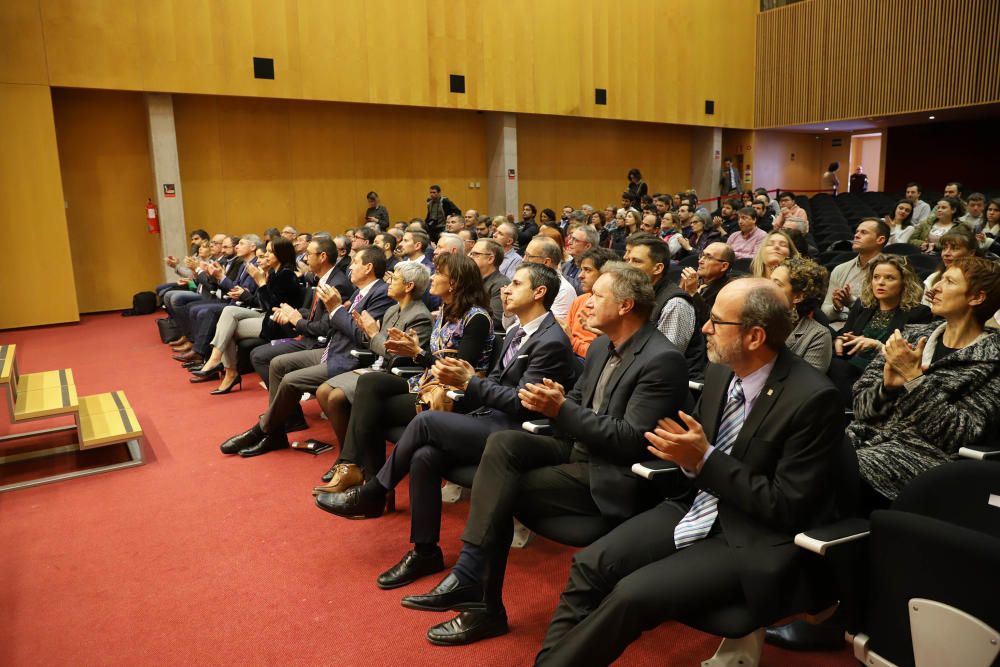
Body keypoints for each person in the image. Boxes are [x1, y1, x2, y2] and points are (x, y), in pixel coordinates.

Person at [535, 278, 844, 666]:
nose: (704, 329)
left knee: (631, 595)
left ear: (754, 337)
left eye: (716, 321)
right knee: (589, 566)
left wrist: (705, 459)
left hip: (749, 534)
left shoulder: (812, 398)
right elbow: (690, 453)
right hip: (694, 505)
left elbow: (788, 506)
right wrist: (687, 456)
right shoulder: (720, 372)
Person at [401, 262, 691, 646]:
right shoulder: (604, 344)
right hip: (576, 449)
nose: (585, 304)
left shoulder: (662, 359)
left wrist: (561, 410)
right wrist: (555, 404)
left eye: (597, 297)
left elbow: (629, 441)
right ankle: (472, 578)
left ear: (625, 306)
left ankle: (482, 603)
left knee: (499, 491)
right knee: (503, 443)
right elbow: (574, 400)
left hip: (613, 473)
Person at [316, 264, 579, 590]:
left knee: (425, 421)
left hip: (517, 432)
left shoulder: (550, 340)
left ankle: (373, 491)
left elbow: (525, 404)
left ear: (539, 293)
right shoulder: (518, 331)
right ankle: (425, 550)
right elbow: (497, 381)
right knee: (425, 455)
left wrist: (469, 384)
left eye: (516, 283)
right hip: (488, 415)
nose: (505, 289)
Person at [316, 253, 495, 488]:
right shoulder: (446, 310)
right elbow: (432, 360)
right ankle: (353, 467)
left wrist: (416, 352)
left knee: (371, 409)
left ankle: (367, 479)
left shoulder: (477, 318)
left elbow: (457, 371)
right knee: (370, 384)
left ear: (454, 283)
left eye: (439, 273)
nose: (433, 276)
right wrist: (412, 350)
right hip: (428, 382)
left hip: (454, 395)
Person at [849, 257, 1000, 511]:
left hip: (921, 461)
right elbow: (861, 408)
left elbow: (958, 435)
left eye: (949, 281)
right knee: (799, 453)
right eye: (939, 279)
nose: (935, 287)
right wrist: (886, 388)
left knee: (826, 472)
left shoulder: (992, 361)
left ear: (976, 298)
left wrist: (913, 379)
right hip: (864, 440)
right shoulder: (912, 336)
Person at [296, 261, 434, 458]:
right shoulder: (393, 310)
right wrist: (370, 334)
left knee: (335, 398)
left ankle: (352, 457)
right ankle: (349, 453)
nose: (389, 283)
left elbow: (397, 355)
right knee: (323, 391)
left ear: (408, 286)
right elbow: (379, 345)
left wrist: (373, 334)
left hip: (397, 376)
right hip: (377, 367)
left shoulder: (420, 316)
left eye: (394, 279)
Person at [193, 238, 305, 394]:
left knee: (227, 327)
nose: (266, 255)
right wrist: (261, 282)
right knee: (228, 313)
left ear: (282, 254)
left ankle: (227, 370)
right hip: (265, 316)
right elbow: (261, 303)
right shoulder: (275, 272)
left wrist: (260, 282)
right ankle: (220, 363)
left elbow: (272, 306)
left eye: (270, 252)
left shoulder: (287, 275)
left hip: (279, 323)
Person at [836, 254, 931, 378]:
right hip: (849, 367)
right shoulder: (862, 305)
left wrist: (877, 346)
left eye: (889, 278)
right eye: (876, 277)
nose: (880, 283)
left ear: (904, 283)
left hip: (883, 375)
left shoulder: (919, 313)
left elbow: (910, 358)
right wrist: (840, 341)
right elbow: (845, 334)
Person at [624, 233, 705, 378]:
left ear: (657, 268)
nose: (628, 266)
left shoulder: (676, 304)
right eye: (628, 260)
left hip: (667, 384)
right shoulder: (636, 294)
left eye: (636, 261)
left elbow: (663, 362)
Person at [821, 218, 889, 327]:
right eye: (857, 232)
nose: (856, 235)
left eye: (864, 232)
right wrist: (836, 308)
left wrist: (851, 302)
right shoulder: (840, 269)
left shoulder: (892, 271)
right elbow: (825, 311)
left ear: (880, 240)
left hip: (873, 329)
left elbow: (886, 314)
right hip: (838, 328)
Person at [771, 257, 832, 373]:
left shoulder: (818, 336)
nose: (766, 287)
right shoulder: (751, 318)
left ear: (798, 297)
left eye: (777, 284)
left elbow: (806, 386)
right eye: (769, 281)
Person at [567, 247, 619, 360]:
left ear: (605, 274)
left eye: (587, 270)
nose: (580, 275)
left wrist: (570, 341)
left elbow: (602, 355)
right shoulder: (579, 300)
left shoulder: (612, 307)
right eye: (581, 269)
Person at [679, 242, 735, 326]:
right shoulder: (693, 279)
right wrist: (680, 290)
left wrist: (693, 293)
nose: (700, 261)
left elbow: (711, 322)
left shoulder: (728, 291)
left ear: (724, 266)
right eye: (702, 255)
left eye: (708, 257)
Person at [921, 228, 978, 306]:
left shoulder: (980, 281)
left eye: (955, 248)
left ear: (971, 253)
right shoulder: (933, 278)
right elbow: (924, 311)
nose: (946, 253)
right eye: (944, 248)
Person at [469, 238, 510, 328]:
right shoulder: (470, 279)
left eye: (475, 254)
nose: (470, 257)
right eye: (470, 253)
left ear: (490, 259)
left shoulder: (501, 284)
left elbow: (495, 320)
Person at [562, 225, 598, 294]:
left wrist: (558, 274)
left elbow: (582, 290)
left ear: (587, 246)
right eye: (571, 238)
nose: (569, 242)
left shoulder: (594, 267)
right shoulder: (565, 265)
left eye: (576, 240)